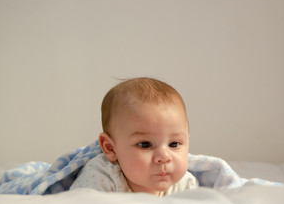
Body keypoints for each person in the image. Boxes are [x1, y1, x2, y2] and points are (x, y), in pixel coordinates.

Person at [70, 77, 198, 196]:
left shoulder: (185, 185)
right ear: (110, 148)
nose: (164, 157)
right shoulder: (101, 177)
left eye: (174, 144)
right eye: (145, 145)